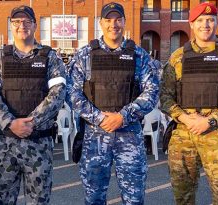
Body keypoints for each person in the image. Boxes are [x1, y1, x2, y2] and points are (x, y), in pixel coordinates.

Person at [160, 2, 218, 204]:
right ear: (191, 24)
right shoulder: (178, 57)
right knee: (183, 197)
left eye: (210, 20)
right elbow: (165, 96)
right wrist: (184, 117)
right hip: (184, 133)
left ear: (217, 22)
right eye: (200, 20)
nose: (206, 24)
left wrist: (210, 121)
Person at [67, 2, 159, 204]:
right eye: (108, 20)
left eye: (118, 19)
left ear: (124, 22)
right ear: (101, 23)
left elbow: (152, 91)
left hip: (130, 136)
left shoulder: (139, 56)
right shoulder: (85, 55)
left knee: (134, 198)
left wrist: (122, 117)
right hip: (95, 137)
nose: (113, 24)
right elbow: (72, 93)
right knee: (94, 198)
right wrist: (99, 118)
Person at [0, 5, 66, 204]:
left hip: (38, 144)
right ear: (11, 26)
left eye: (27, 21)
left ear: (35, 25)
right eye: (17, 22)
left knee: (39, 201)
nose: (22, 25)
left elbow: (58, 94)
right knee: (2, 201)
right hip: (4, 145)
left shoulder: (50, 58)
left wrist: (30, 123)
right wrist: (11, 123)